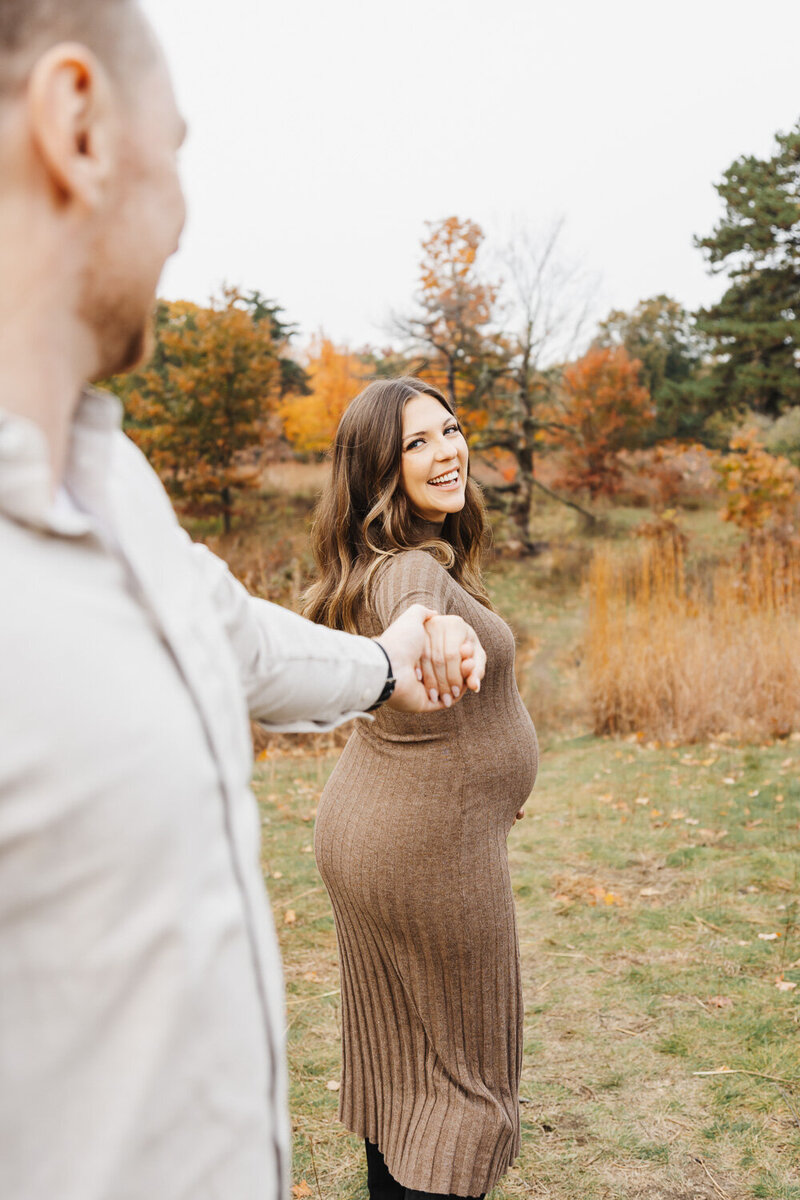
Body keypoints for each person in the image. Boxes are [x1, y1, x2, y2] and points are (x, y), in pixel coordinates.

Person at [0, 5, 487, 1199]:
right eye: (176, 147)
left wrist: (386, 658)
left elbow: (236, 636)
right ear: (77, 126)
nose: (181, 216)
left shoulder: (109, 480)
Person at [307, 377, 539, 1200]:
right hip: (425, 855)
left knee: (405, 1070)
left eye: (450, 430)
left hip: (378, 834)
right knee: (468, 1093)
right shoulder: (408, 570)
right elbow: (414, 618)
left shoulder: (396, 559)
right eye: (417, 443)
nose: (447, 453)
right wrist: (426, 635)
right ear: (380, 469)